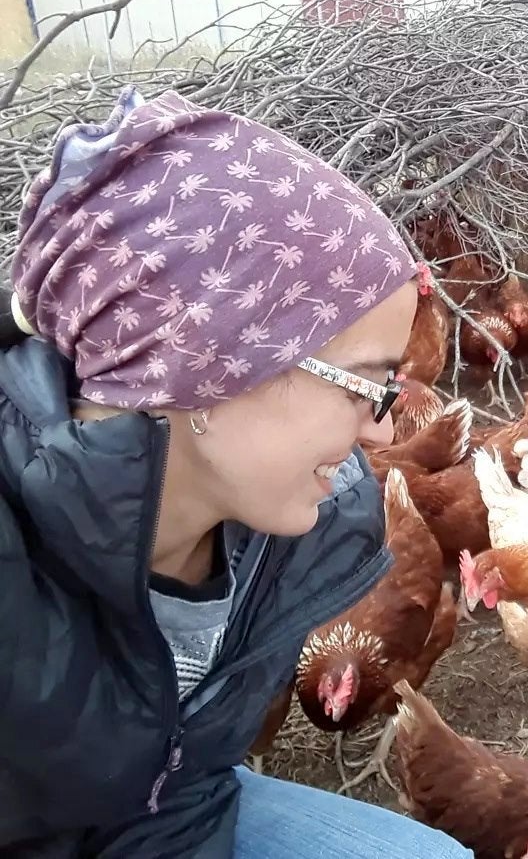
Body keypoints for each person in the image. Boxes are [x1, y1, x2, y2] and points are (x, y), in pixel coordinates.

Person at [0, 86, 472, 858]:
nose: (383, 426)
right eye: (367, 381)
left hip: (165, 809)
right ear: (209, 364)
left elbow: (183, 784)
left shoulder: (287, 534)